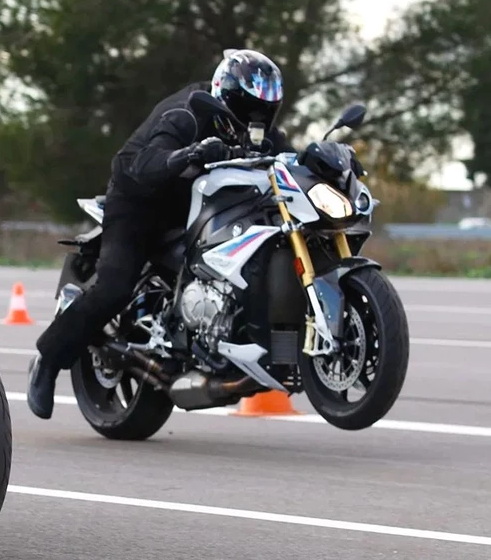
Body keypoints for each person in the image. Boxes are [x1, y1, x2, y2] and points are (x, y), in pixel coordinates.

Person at [26, 49, 297, 419]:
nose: (257, 119)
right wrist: (188, 154)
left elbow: (287, 158)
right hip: (139, 202)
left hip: (192, 208)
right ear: (229, 94)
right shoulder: (188, 111)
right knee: (114, 288)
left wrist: (322, 160)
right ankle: (48, 360)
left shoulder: (256, 129)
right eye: (250, 108)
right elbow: (139, 163)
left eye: (264, 111)